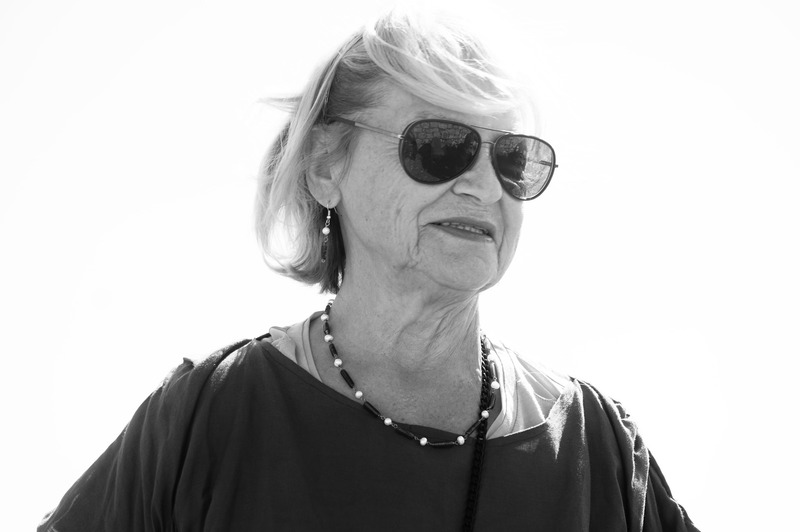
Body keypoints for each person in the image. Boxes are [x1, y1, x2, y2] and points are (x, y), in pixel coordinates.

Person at [38, 10, 699, 532]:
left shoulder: (595, 449)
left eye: (512, 159)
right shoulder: (210, 417)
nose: (483, 187)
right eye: (440, 146)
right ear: (326, 166)